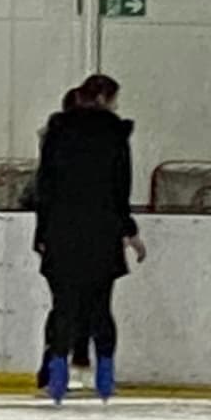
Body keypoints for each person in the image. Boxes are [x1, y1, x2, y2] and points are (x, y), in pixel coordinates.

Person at [28, 73, 141, 402]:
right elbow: (120, 188)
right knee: (100, 305)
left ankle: (57, 375)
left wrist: (42, 233)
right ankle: (105, 374)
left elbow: (45, 187)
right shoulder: (115, 134)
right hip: (101, 230)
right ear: (104, 98)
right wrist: (128, 229)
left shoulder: (58, 132)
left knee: (64, 306)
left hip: (62, 229)